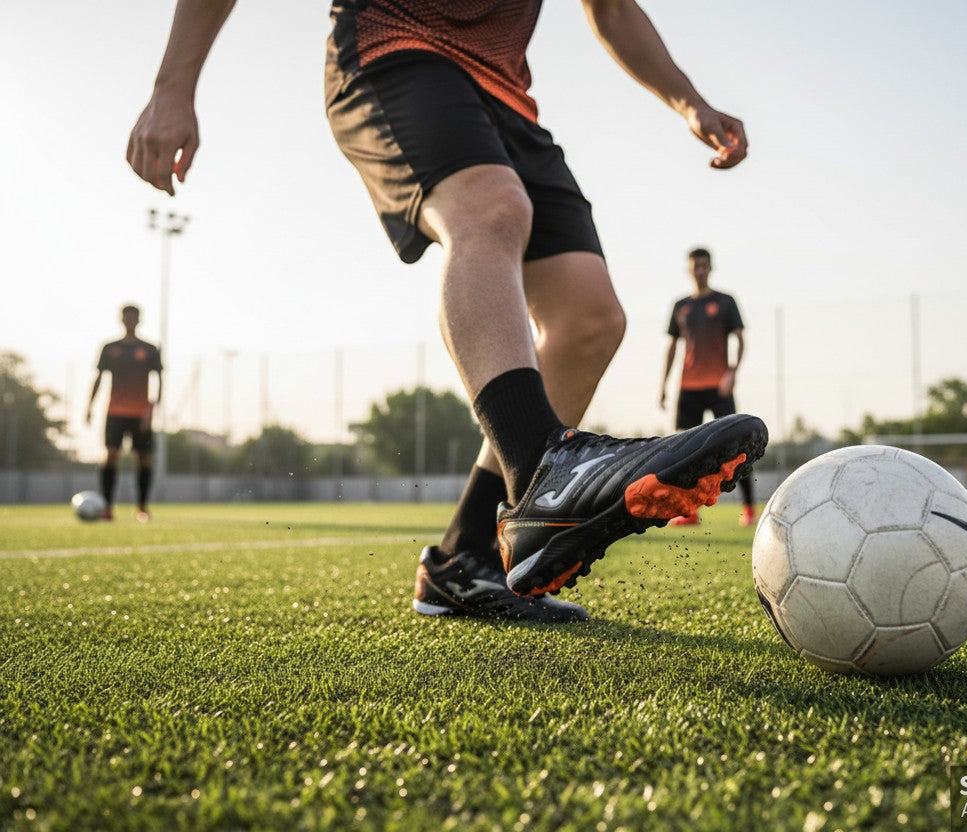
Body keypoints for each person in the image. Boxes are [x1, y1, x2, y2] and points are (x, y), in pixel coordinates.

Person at [126, 0, 767, 622]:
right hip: (391, 48)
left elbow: (613, 8)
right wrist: (173, 86)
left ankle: (466, 561)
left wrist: (691, 103)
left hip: (507, 99)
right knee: (489, 208)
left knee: (589, 318)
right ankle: (541, 466)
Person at [660, 248, 756, 526]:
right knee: (685, 453)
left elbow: (740, 339)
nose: (700, 270)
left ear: (711, 268)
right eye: (695, 266)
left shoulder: (725, 301)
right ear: (689, 270)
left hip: (719, 387)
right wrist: (664, 384)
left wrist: (733, 372)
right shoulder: (680, 306)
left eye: (704, 266)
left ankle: (749, 510)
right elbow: (672, 346)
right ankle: (689, 512)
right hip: (688, 388)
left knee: (737, 448)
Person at [85, 305, 163, 522]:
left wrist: (152, 409)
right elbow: (99, 377)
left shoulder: (149, 349)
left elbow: (159, 380)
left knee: (144, 459)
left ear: (139, 320)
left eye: (134, 317)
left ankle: (142, 507)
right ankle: (107, 507)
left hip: (141, 413)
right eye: (126, 317)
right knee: (111, 456)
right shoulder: (110, 348)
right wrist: (89, 407)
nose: (130, 320)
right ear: (121, 319)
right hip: (115, 412)